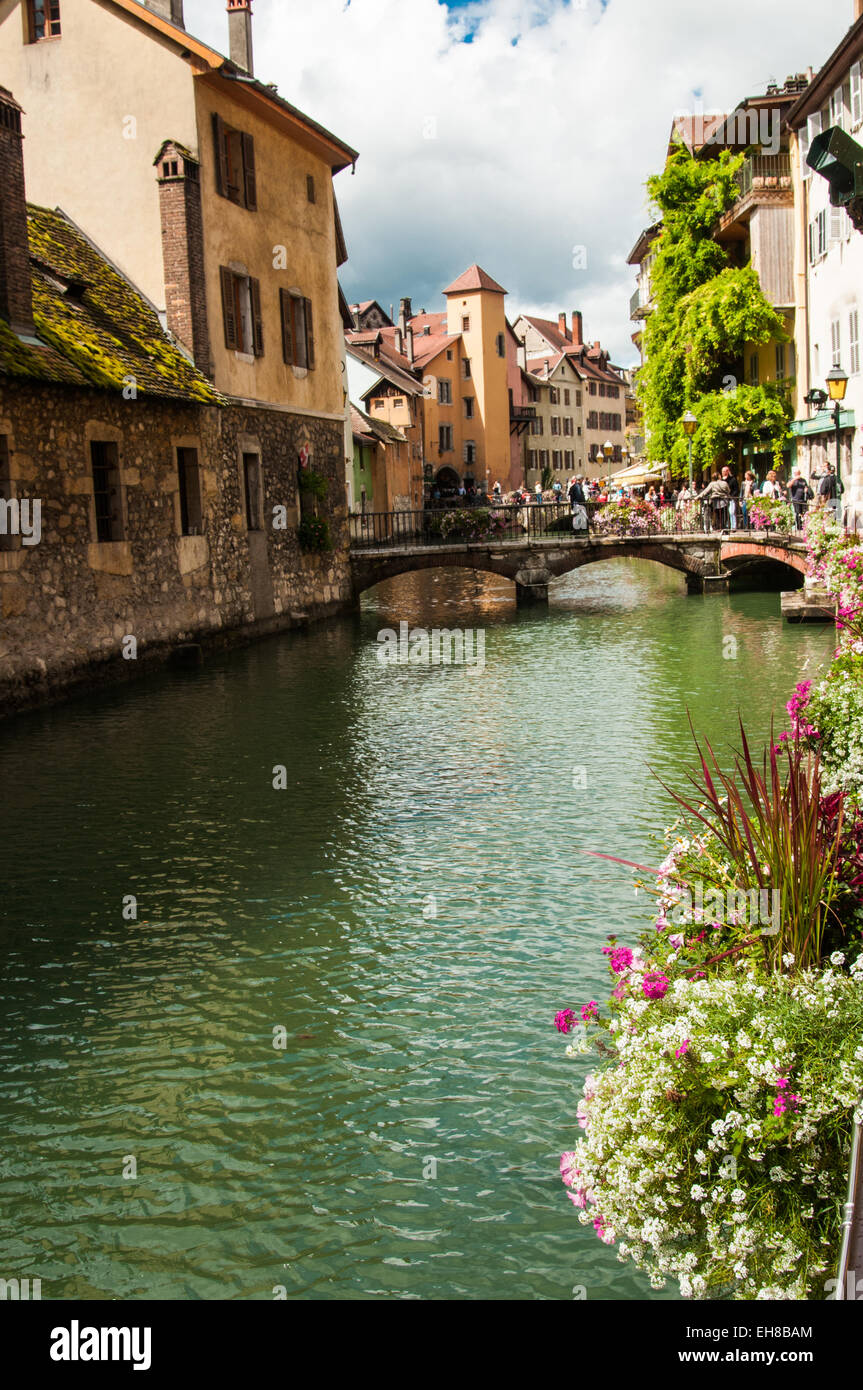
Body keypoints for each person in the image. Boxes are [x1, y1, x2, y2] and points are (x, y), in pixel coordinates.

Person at [721, 466, 739, 531]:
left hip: (731, 498)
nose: (723, 472)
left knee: (731, 512)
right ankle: (726, 526)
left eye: (725, 471)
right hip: (723, 499)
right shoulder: (721, 480)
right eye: (722, 471)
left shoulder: (733, 479)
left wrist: (731, 496)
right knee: (724, 513)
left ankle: (733, 526)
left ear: (728, 471)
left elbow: (736, 489)